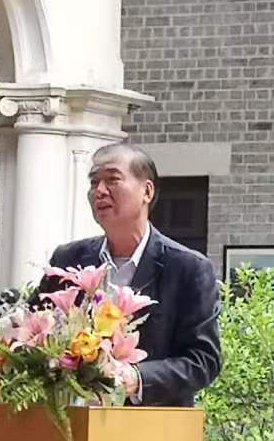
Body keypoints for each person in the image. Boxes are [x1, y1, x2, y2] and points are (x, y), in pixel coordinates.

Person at [37, 142, 221, 406]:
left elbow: (204, 361)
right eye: (94, 182)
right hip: (69, 419)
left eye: (112, 180)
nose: (100, 191)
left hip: (149, 421)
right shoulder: (68, 259)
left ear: (147, 191)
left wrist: (137, 378)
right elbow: (34, 330)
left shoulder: (187, 268)